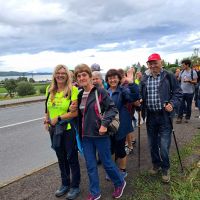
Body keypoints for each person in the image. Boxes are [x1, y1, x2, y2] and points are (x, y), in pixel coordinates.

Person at [74, 64, 126, 200]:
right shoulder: (79, 95)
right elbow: (80, 116)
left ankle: (120, 182)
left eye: (84, 75)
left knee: (107, 162)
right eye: (79, 76)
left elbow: (112, 109)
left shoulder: (100, 92)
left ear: (90, 77)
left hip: (100, 135)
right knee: (90, 165)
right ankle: (95, 192)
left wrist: (104, 125)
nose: (81, 78)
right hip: (86, 137)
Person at [140, 53, 182, 183]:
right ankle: (156, 164)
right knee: (152, 144)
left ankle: (165, 168)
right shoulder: (145, 78)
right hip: (151, 116)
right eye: (150, 63)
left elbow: (178, 93)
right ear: (148, 65)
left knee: (163, 146)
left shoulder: (168, 76)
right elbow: (141, 94)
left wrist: (172, 104)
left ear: (160, 62)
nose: (153, 65)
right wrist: (140, 101)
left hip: (164, 116)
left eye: (155, 62)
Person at [44, 64, 81, 199]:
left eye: (63, 73)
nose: (60, 75)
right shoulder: (49, 89)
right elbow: (47, 106)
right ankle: (65, 184)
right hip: (53, 130)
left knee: (71, 158)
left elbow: (75, 113)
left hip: (67, 129)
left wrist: (58, 118)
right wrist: (46, 118)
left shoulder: (73, 90)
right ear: (54, 75)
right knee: (60, 158)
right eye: (58, 73)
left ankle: (75, 186)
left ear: (67, 76)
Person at [105, 68, 139, 176]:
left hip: (120, 124)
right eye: (110, 78)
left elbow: (133, 97)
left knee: (120, 149)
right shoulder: (107, 92)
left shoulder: (123, 90)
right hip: (109, 125)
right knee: (110, 148)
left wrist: (132, 83)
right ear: (107, 80)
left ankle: (123, 170)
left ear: (119, 79)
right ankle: (112, 169)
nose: (112, 80)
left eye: (114, 77)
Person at [176, 59, 198, 123]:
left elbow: (195, 82)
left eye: (183, 65)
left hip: (190, 92)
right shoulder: (182, 72)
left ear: (187, 65)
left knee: (188, 105)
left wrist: (189, 81)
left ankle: (187, 117)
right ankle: (179, 118)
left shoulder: (193, 72)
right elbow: (178, 80)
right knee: (181, 105)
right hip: (182, 91)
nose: (182, 66)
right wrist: (176, 76)